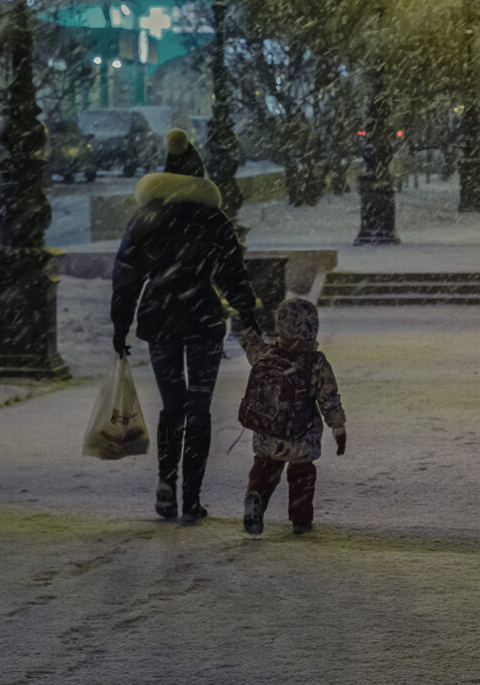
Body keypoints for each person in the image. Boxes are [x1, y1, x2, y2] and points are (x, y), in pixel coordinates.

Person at [111, 143, 261, 525]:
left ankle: (166, 481)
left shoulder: (145, 219)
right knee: (198, 409)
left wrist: (120, 324)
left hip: (160, 321)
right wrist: (248, 314)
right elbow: (232, 274)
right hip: (202, 321)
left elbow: (126, 277)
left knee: (172, 406)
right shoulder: (214, 220)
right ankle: (192, 497)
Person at [240, 298, 347, 536]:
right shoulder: (316, 363)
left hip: (267, 430)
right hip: (302, 432)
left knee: (265, 467)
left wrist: (247, 328)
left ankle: (256, 495)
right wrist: (338, 426)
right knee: (302, 474)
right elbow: (328, 398)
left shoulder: (266, 354)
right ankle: (300, 519)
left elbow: (250, 345)